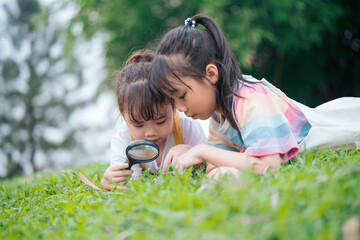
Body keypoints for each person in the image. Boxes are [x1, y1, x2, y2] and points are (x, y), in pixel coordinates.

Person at [149, 14, 360, 178]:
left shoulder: (249, 99)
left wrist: (201, 151)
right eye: (173, 100)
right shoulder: (218, 115)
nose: (180, 109)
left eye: (182, 96)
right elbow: (223, 162)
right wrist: (190, 152)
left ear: (211, 74)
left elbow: (268, 164)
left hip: (347, 125)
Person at [101, 49, 207, 190]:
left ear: (174, 105)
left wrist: (191, 152)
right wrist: (110, 181)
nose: (150, 132)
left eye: (160, 121)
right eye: (139, 125)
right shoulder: (123, 137)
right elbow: (128, 181)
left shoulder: (186, 126)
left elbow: (207, 164)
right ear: (123, 115)